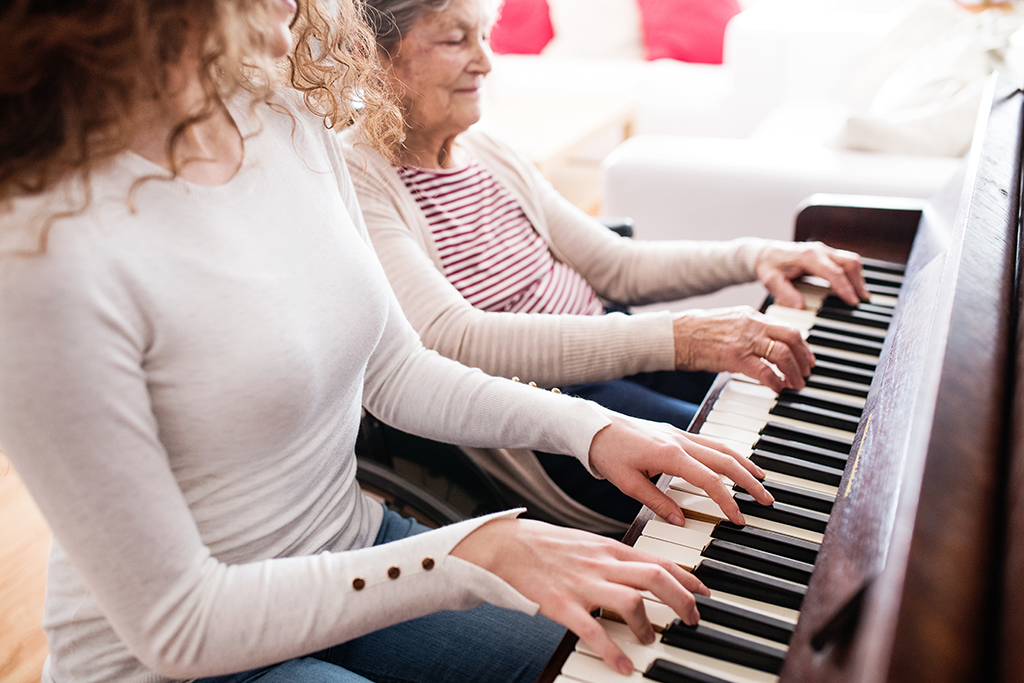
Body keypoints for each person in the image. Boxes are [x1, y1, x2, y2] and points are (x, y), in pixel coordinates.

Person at [0, 1, 776, 682]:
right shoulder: (44, 249)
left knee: (644, 649)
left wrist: (594, 428)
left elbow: (398, 370)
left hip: (352, 548)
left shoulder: (285, 116)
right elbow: (180, 623)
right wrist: (472, 555)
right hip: (189, 662)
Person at [342, 0, 871, 524]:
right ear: (374, 56)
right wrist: (683, 338)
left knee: (804, 415)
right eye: (456, 40)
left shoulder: (487, 149)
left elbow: (613, 264)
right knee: (768, 473)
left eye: (483, 37)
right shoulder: (358, 181)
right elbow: (456, 340)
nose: (484, 61)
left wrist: (753, 255)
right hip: (544, 410)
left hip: (607, 348)